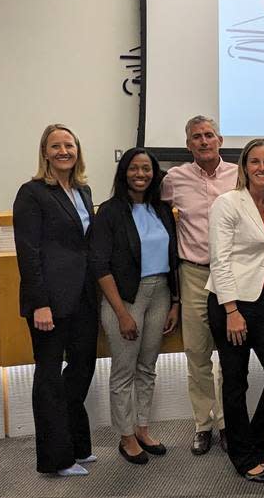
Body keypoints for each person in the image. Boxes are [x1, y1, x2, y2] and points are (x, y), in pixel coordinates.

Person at [206, 139, 264, 482]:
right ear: (244, 167)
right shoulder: (227, 203)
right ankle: (243, 457)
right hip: (232, 304)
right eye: (255, 162)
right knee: (236, 382)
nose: (262, 168)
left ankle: (254, 443)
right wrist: (231, 310)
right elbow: (220, 259)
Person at [12, 123, 98, 476]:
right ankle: (55, 458)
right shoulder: (31, 193)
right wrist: (40, 303)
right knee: (48, 377)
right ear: (45, 152)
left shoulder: (84, 190)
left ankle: (77, 445)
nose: (64, 151)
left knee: (82, 370)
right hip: (49, 300)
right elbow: (28, 252)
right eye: (56, 146)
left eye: (69, 145)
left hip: (83, 298)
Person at [88, 148, 180, 465]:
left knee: (147, 367)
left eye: (147, 169)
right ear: (124, 171)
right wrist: (121, 313)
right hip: (125, 297)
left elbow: (173, 259)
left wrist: (175, 302)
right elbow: (99, 264)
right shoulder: (110, 212)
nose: (141, 174)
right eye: (134, 168)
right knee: (124, 371)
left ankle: (141, 428)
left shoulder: (162, 209)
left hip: (160, 294)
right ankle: (125, 436)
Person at [160, 115, 237, 455]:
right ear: (188, 145)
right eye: (196, 137)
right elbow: (157, 219)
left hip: (232, 274)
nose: (204, 141)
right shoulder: (173, 179)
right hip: (193, 273)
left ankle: (228, 422)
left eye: (209, 135)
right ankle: (204, 424)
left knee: (231, 353)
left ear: (220, 139)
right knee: (197, 352)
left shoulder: (240, 175)